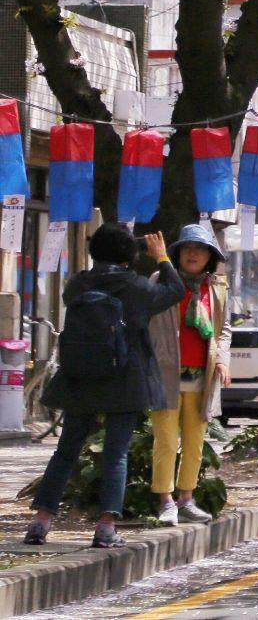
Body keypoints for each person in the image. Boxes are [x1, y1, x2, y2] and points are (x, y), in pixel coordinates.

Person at [26, 224, 183, 548]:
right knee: (115, 454)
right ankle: (105, 527)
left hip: (80, 377)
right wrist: (162, 257)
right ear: (129, 254)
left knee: (66, 449)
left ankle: (41, 522)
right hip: (124, 380)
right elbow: (175, 290)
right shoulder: (137, 287)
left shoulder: (78, 284)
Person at [147, 225, 230, 527]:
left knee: (195, 443)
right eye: (187, 248)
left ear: (209, 256)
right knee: (166, 441)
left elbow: (223, 331)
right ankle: (165, 500)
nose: (193, 254)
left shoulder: (217, 288)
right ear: (178, 253)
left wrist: (222, 360)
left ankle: (186, 498)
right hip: (165, 375)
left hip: (202, 378)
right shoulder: (160, 281)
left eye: (200, 249)